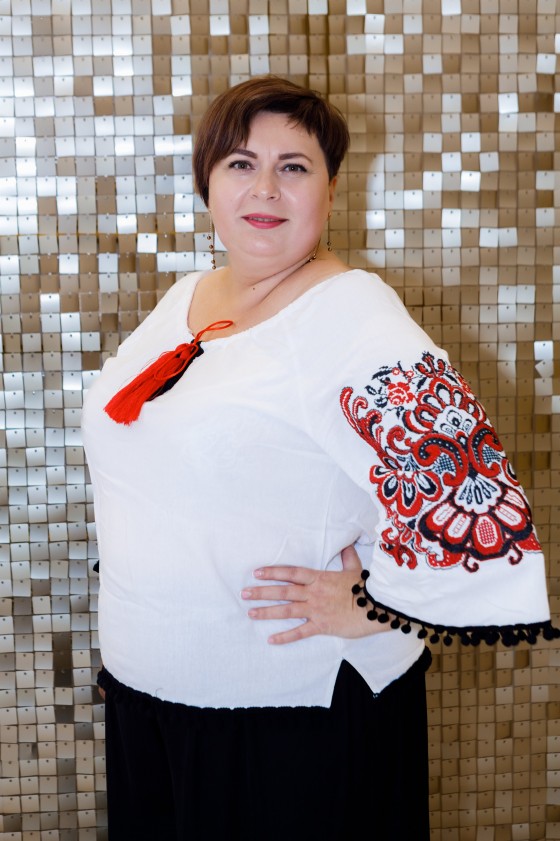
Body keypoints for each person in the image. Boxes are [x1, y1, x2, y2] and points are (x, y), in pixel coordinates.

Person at [82, 77, 556, 840]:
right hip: (156, 699)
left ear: (330, 191)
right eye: (241, 163)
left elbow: (471, 489)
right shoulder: (191, 295)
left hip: (284, 718)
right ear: (207, 182)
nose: (265, 187)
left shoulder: (351, 315)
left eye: (294, 167)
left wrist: (376, 602)